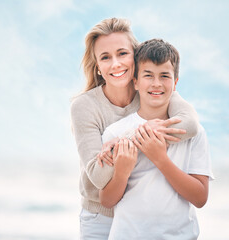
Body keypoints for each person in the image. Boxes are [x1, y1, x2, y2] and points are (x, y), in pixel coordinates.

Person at [70, 18, 199, 239]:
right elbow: (99, 176)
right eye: (105, 57)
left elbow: (189, 125)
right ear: (98, 67)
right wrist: (135, 137)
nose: (116, 64)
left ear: (135, 56)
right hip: (101, 219)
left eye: (122, 53)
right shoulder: (84, 107)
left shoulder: (151, 91)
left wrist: (123, 140)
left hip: (139, 218)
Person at [99, 39, 214, 239]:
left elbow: (200, 197)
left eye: (164, 76)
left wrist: (160, 159)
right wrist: (122, 174)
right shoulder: (115, 132)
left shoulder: (194, 133)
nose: (156, 83)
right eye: (148, 75)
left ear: (175, 82)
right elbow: (106, 200)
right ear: (135, 81)